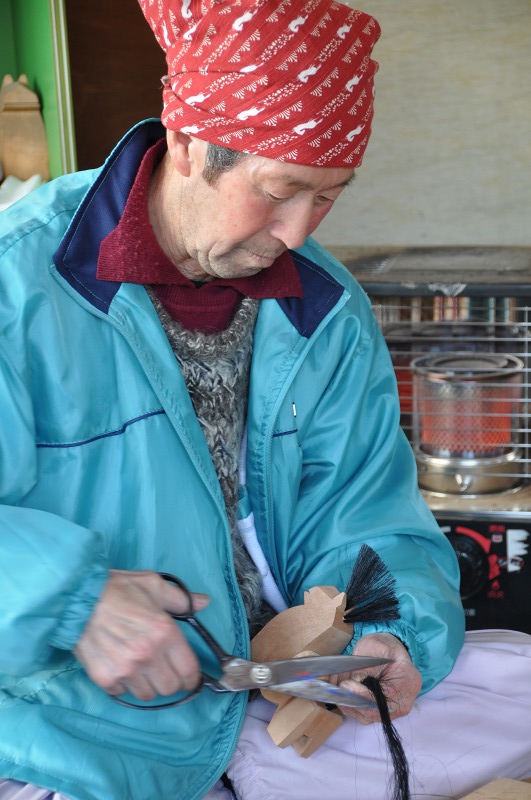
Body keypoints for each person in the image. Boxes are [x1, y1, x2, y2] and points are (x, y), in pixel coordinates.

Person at [0, 1, 529, 799]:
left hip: (275, 699)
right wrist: (70, 600)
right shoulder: (17, 286)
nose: (296, 231)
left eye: (328, 195)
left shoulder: (324, 308)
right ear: (185, 143)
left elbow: (370, 515)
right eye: (280, 189)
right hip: (77, 727)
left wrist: (390, 631)